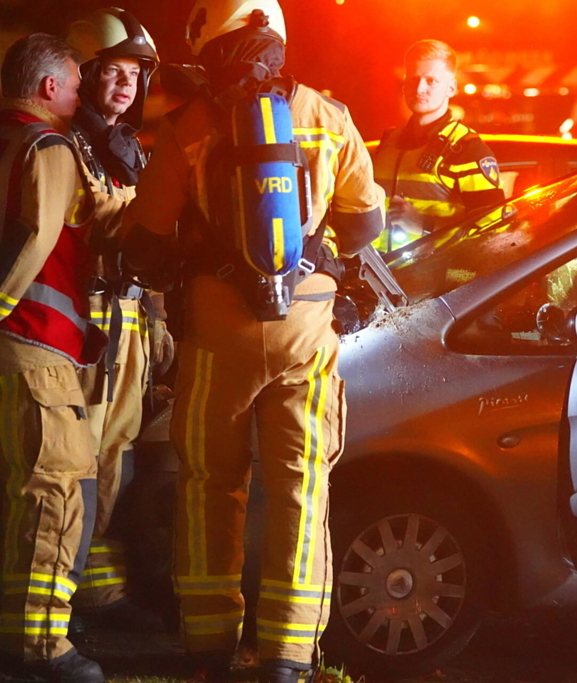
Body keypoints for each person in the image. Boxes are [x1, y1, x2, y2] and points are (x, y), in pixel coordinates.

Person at [119, 1, 385, 681]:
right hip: (308, 330)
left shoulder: (193, 127)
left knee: (213, 483)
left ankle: (209, 642)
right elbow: (364, 226)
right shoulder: (329, 116)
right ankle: (288, 655)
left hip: (218, 333)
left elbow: (148, 238)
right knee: (301, 485)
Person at [0, 33, 107, 683]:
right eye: (72, 87)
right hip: (37, 345)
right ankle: (40, 647)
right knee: (52, 493)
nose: (78, 98)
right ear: (47, 89)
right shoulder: (48, 147)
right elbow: (38, 236)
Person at [64, 7, 169, 634]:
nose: (127, 84)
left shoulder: (120, 147)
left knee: (112, 465)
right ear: (84, 73)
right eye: (113, 71)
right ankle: (50, 603)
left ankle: (94, 595)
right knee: (74, 472)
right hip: (82, 335)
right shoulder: (67, 142)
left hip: (125, 334)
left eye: (135, 73)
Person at [372, 39, 504, 253]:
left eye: (431, 80)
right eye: (413, 79)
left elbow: (494, 230)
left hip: (437, 280)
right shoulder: (389, 142)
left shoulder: (467, 150)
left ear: (451, 87)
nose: (420, 88)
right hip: (378, 277)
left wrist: (424, 224)